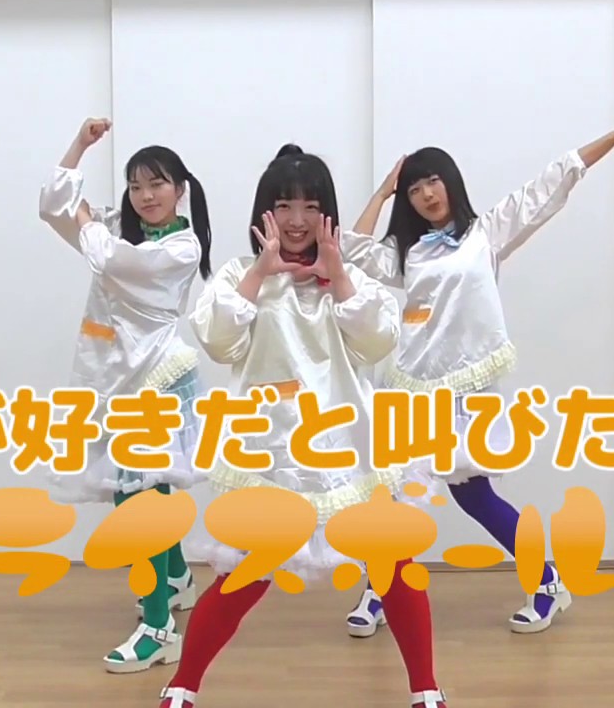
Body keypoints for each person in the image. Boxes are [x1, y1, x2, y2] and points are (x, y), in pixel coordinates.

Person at [339, 107, 614, 637]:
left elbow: (551, 184)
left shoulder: (486, 233)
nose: (426, 194)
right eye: (414, 189)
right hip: (414, 387)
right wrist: (382, 192)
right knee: (395, 496)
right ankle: (382, 587)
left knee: (473, 495)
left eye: (432, 181)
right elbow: (353, 253)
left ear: (450, 181)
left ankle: (548, 584)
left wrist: (612, 138)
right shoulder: (409, 253)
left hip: (471, 390)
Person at [155, 145, 451, 708]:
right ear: (264, 212)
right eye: (284, 206)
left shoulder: (349, 275)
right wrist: (261, 273)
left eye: (310, 207)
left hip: (347, 448)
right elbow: (219, 342)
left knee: (393, 565)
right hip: (270, 452)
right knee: (244, 575)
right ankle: (182, 687)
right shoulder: (240, 274)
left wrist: (338, 277)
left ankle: (427, 690)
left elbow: (377, 342)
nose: (296, 220)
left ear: (327, 214)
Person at [36, 116, 213, 673]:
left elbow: (111, 258)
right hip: (116, 380)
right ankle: (176, 577)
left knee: (135, 500)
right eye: (136, 186)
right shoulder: (119, 229)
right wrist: (79, 147)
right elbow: (52, 208)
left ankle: (158, 628)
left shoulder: (181, 247)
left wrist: (89, 218)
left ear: (180, 189)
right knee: (142, 492)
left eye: (157, 184)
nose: (145, 196)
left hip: (156, 382)